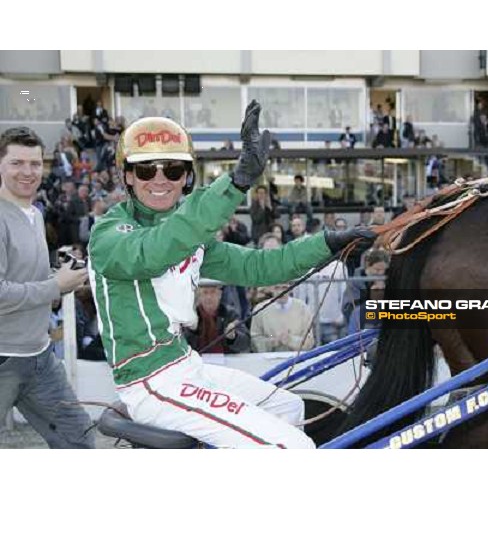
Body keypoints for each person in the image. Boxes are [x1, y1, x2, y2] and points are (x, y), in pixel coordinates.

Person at [87, 102, 376, 449]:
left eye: (173, 169)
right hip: (150, 381)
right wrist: (236, 181)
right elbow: (155, 251)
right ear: (128, 176)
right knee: (293, 448)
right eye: (146, 169)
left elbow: (259, 266)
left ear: (187, 177)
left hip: (186, 366)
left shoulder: (187, 233)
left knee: (289, 406)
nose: (160, 179)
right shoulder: (110, 234)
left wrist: (328, 243)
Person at [0, 126, 94, 448]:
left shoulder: (36, 214)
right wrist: (55, 286)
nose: (27, 172)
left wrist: (63, 277)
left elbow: (30, 282)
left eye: (35, 163)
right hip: (3, 358)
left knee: (80, 440)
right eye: (17, 163)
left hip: (39, 357)